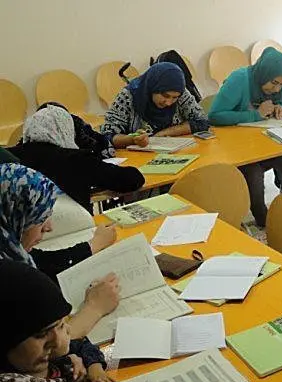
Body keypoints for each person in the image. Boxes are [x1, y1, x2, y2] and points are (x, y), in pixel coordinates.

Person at [0, 260, 183, 382]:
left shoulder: (43, 359)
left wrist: (93, 365)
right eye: (40, 335)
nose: (59, 342)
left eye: (62, 325)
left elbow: (77, 344)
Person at [0, 163, 120, 339]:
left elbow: (44, 262)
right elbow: (49, 345)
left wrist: (92, 245)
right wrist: (94, 308)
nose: (49, 227)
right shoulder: (7, 279)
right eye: (39, 218)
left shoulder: (9, 250)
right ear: (14, 215)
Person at [209, 47, 282, 230]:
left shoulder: (278, 84)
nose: (276, 89)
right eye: (274, 83)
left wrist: (280, 107)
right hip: (241, 147)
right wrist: (255, 116)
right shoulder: (239, 79)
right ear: (263, 73)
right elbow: (215, 115)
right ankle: (262, 217)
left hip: (269, 141)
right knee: (253, 173)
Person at [9, 105, 145, 212]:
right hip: (69, 232)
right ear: (66, 130)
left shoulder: (9, 156)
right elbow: (132, 179)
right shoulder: (75, 159)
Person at [102, 62, 210, 149]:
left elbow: (202, 121)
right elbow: (107, 136)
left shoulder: (180, 92)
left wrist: (163, 134)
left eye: (174, 98)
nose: (168, 102)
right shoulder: (128, 96)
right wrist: (132, 140)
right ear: (152, 87)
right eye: (165, 95)